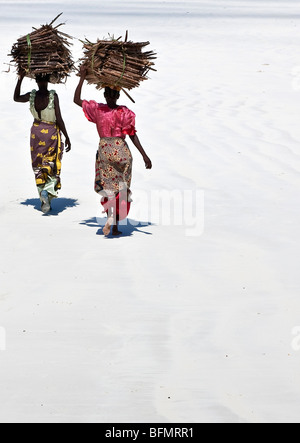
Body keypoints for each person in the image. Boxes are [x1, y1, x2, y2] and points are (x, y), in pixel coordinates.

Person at [74, 65, 152, 236]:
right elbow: (132, 135)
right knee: (122, 188)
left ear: (106, 95)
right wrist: (144, 155)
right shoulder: (124, 112)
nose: (111, 96)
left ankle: (111, 219)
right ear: (117, 96)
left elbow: (76, 99)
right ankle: (115, 225)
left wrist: (82, 77)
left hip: (105, 151)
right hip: (122, 152)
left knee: (109, 189)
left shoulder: (98, 109)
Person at [14, 70, 71, 214]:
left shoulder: (31, 96)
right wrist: (67, 136)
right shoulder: (52, 96)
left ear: (36, 81)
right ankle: (47, 192)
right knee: (51, 164)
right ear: (47, 80)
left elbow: (16, 98)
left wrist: (20, 79)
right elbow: (58, 118)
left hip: (36, 133)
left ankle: (43, 199)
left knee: (38, 164)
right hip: (51, 133)